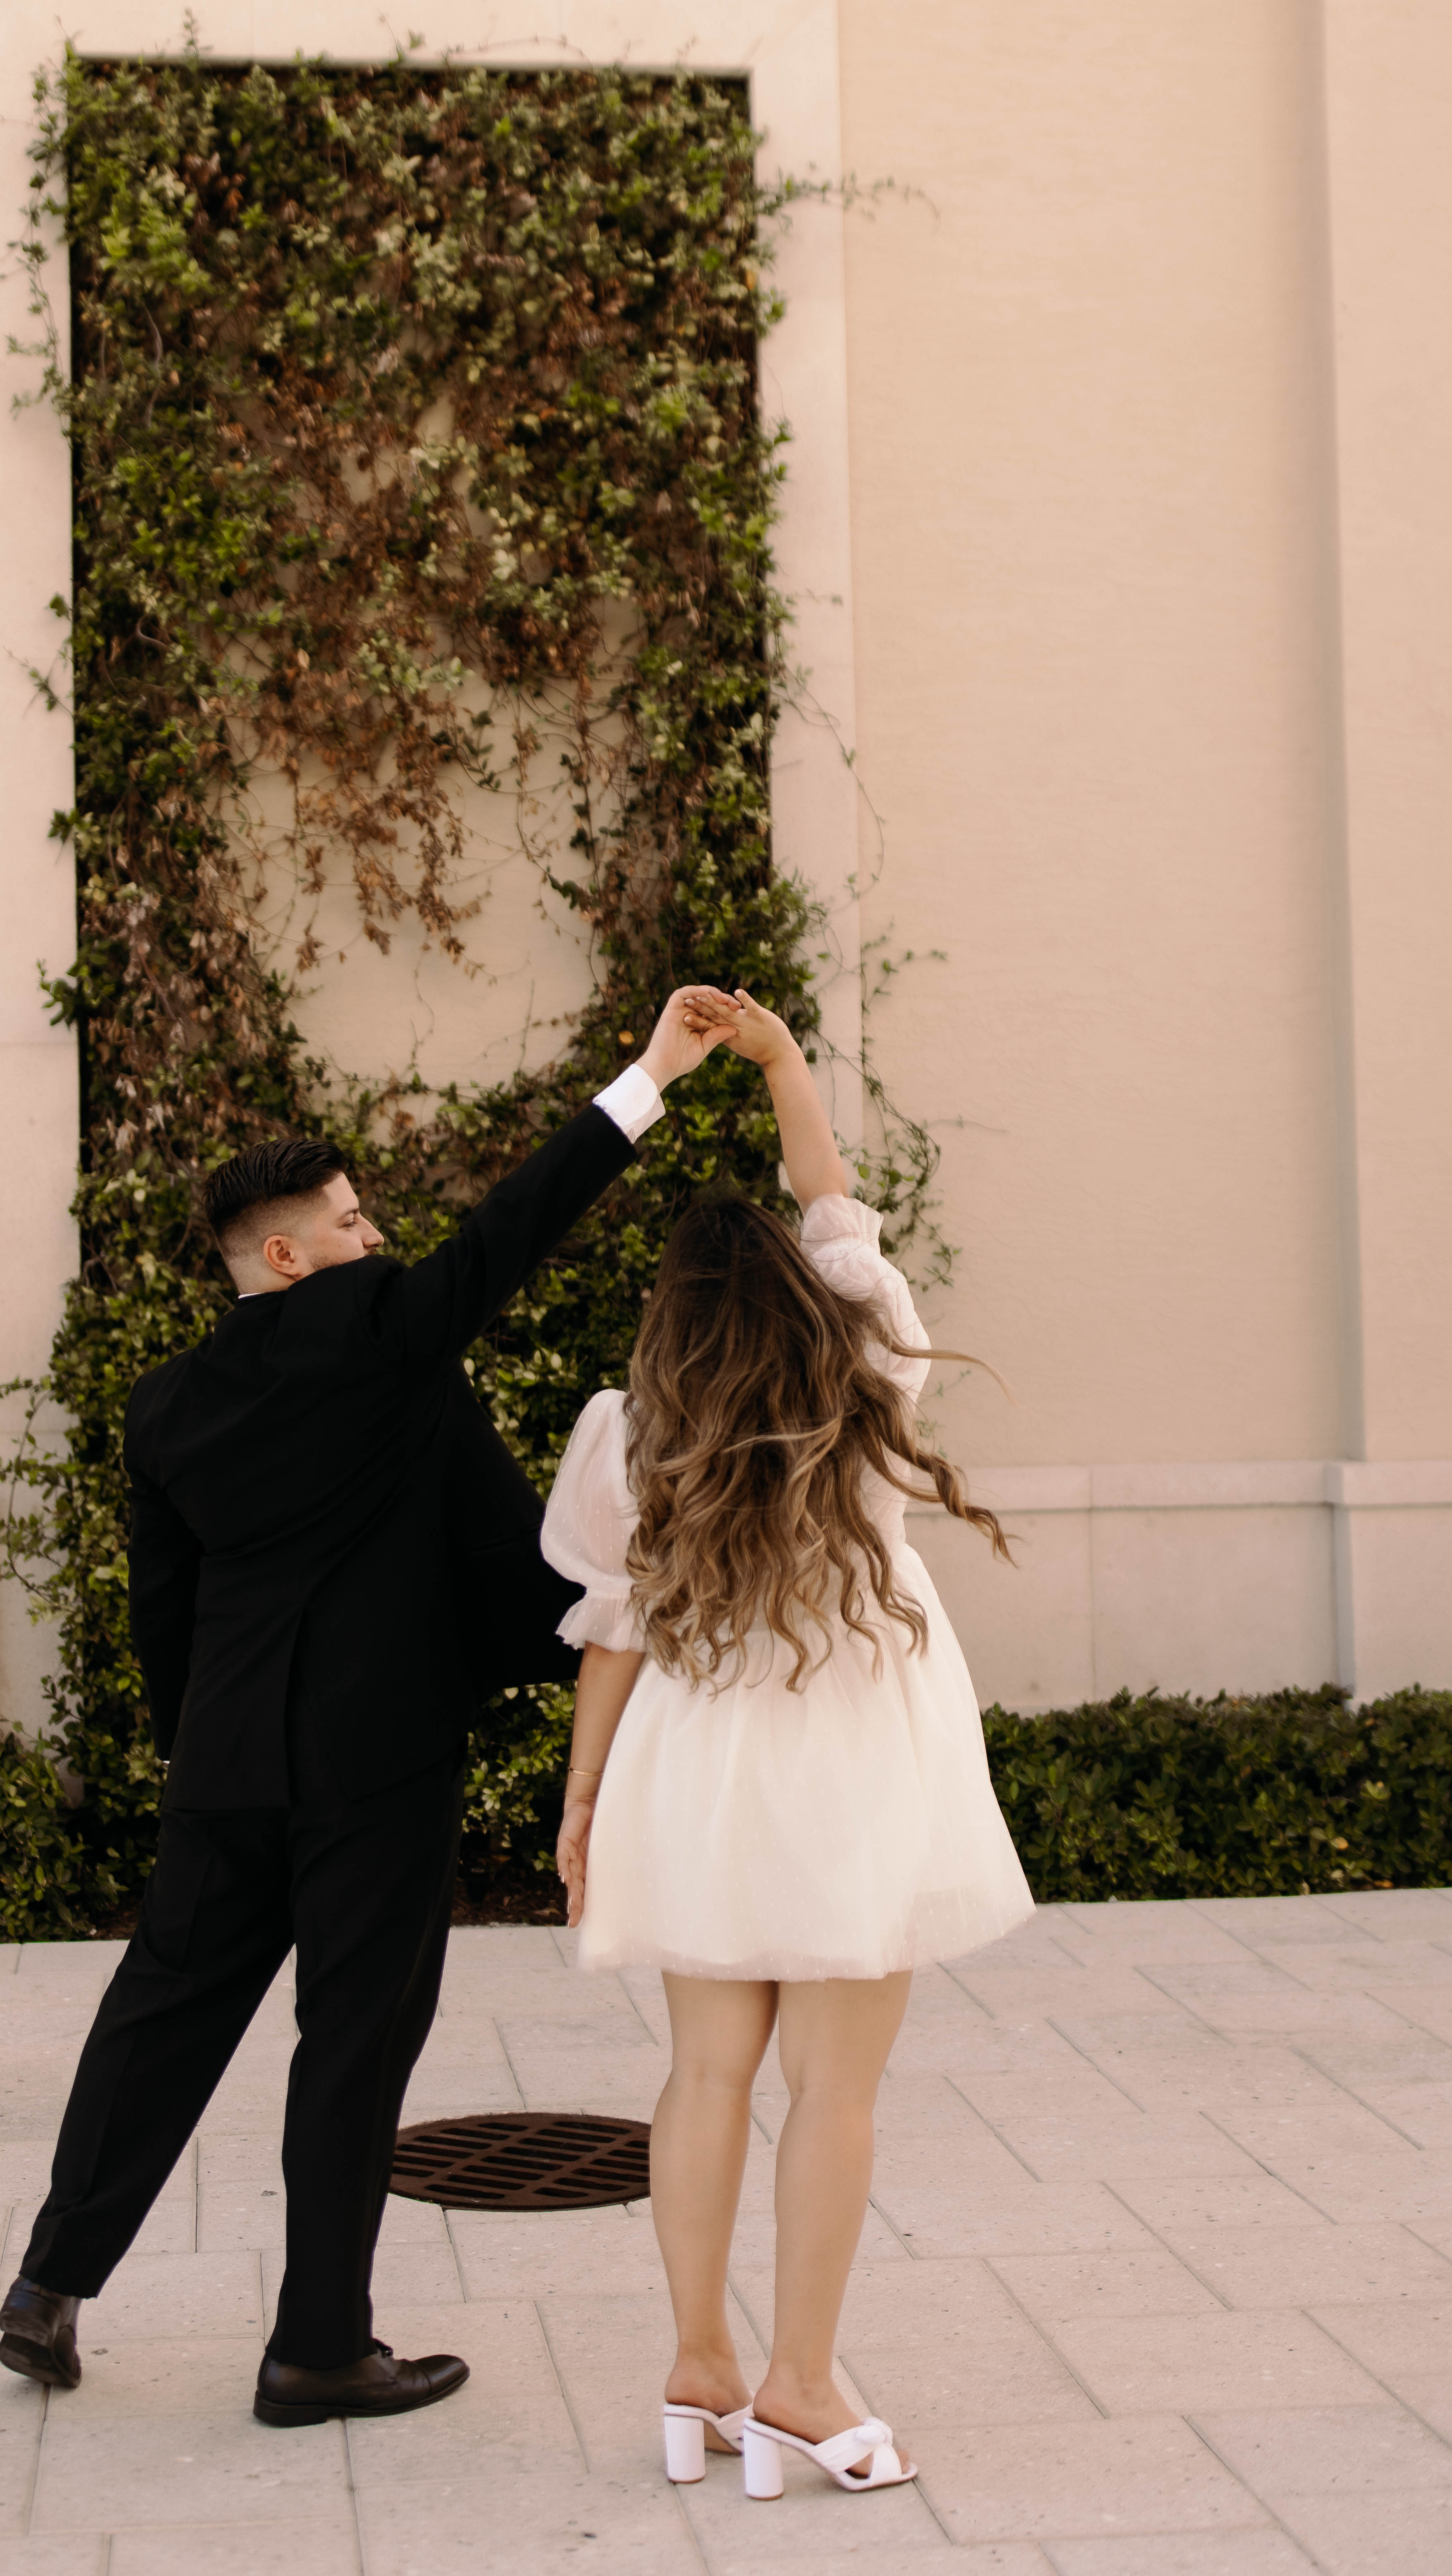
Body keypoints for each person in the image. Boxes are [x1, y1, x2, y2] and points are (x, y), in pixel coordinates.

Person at [0, 988, 740, 2427]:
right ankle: (316, 2348)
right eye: (348, 1220)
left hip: (226, 1759)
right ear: (284, 1256)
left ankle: (47, 2286)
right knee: (351, 2042)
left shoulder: (165, 1406)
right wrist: (647, 1075)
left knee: (158, 2016)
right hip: (377, 1761)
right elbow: (516, 1225)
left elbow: (165, 1614)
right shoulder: (382, 1331)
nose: (374, 1235)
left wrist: (198, 1757)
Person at [543, 990, 1034, 2502]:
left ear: (670, 1320)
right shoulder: (866, 1358)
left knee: (704, 2079)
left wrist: (578, 1807)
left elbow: (614, 1628)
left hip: (697, 1766)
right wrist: (779, 1063)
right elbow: (832, 1202)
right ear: (796, 1290)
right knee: (836, 2090)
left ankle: (698, 2366)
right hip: (856, 1762)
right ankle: (800, 2390)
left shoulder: (636, 1426)